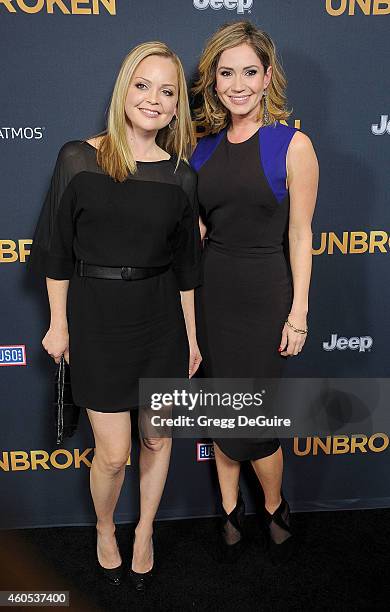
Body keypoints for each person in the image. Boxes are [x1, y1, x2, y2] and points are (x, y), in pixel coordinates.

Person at [28, 41, 202, 591]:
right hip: (98, 319)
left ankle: (145, 530)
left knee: (157, 439)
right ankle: (106, 527)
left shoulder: (181, 177)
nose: (153, 99)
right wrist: (59, 323)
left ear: (177, 107)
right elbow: (56, 250)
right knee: (113, 453)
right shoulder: (78, 157)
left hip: (161, 321)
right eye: (143, 85)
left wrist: (192, 338)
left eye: (167, 91)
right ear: (124, 89)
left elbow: (187, 269)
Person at [191, 22, 319, 563]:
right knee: (223, 411)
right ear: (213, 80)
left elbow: (300, 234)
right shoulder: (199, 150)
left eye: (249, 72)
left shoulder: (293, 144)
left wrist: (299, 312)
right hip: (212, 293)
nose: (236, 84)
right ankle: (227, 509)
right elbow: (195, 234)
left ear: (268, 78)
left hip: (266, 295)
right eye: (226, 73)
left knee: (258, 421)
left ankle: (272, 504)